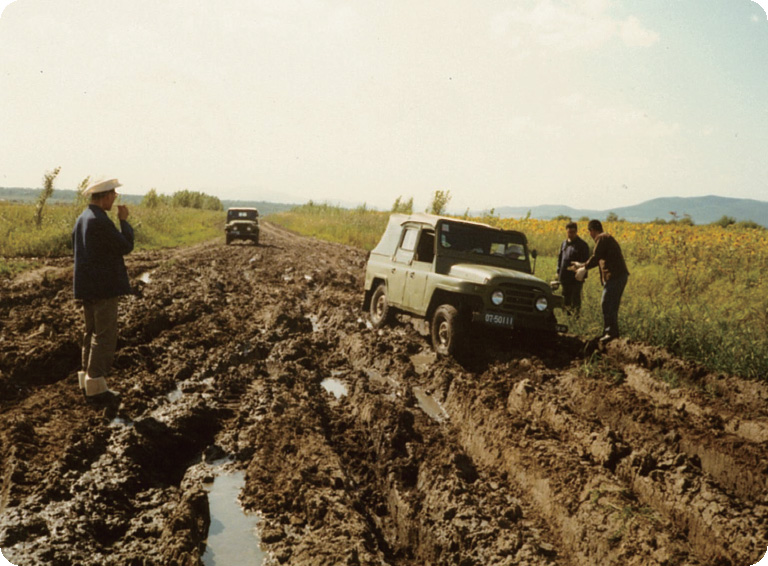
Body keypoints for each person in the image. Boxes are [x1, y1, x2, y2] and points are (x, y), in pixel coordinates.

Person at [72, 179, 134, 398]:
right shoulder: (100, 220)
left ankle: (86, 380)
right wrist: (123, 221)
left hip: (87, 287)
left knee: (90, 332)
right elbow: (125, 246)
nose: (114, 199)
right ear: (105, 196)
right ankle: (96, 385)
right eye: (113, 195)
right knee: (105, 335)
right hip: (103, 288)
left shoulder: (83, 218)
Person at [570, 219, 629, 343]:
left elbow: (596, 257)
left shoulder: (601, 238)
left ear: (592, 230)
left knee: (607, 303)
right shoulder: (606, 238)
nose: (590, 235)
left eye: (590, 232)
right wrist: (582, 265)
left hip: (615, 277)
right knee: (611, 304)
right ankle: (611, 333)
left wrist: (584, 268)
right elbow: (597, 259)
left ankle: (610, 333)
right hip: (618, 276)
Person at [556, 221, 590, 314]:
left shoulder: (582, 245)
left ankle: (575, 317)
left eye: (572, 232)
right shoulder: (564, 243)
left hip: (576, 277)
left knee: (575, 299)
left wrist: (581, 272)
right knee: (565, 297)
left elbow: (586, 263)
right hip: (564, 276)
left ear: (576, 232)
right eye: (569, 232)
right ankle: (566, 316)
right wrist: (558, 271)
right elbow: (560, 258)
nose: (570, 234)